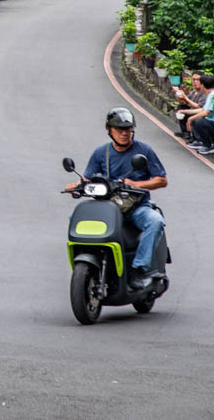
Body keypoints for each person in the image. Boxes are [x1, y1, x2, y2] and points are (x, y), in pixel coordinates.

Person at [69, 107, 167, 291]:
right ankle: (89, 262)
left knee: (155, 221)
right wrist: (76, 186)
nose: (124, 133)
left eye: (128, 129)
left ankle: (140, 268)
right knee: (73, 218)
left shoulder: (144, 150)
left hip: (137, 207)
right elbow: (88, 178)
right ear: (109, 129)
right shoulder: (101, 153)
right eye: (119, 129)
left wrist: (137, 185)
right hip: (108, 206)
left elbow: (161, 180)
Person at [186, 73, 214, 156]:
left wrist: (190, 119)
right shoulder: (211, 95)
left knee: (199, 121)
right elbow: (202, 110)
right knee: (196, 119)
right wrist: (185, 111)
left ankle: (208, 146)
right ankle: (199, 141)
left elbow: (205, 113)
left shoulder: (213, 96)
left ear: (202, 85)